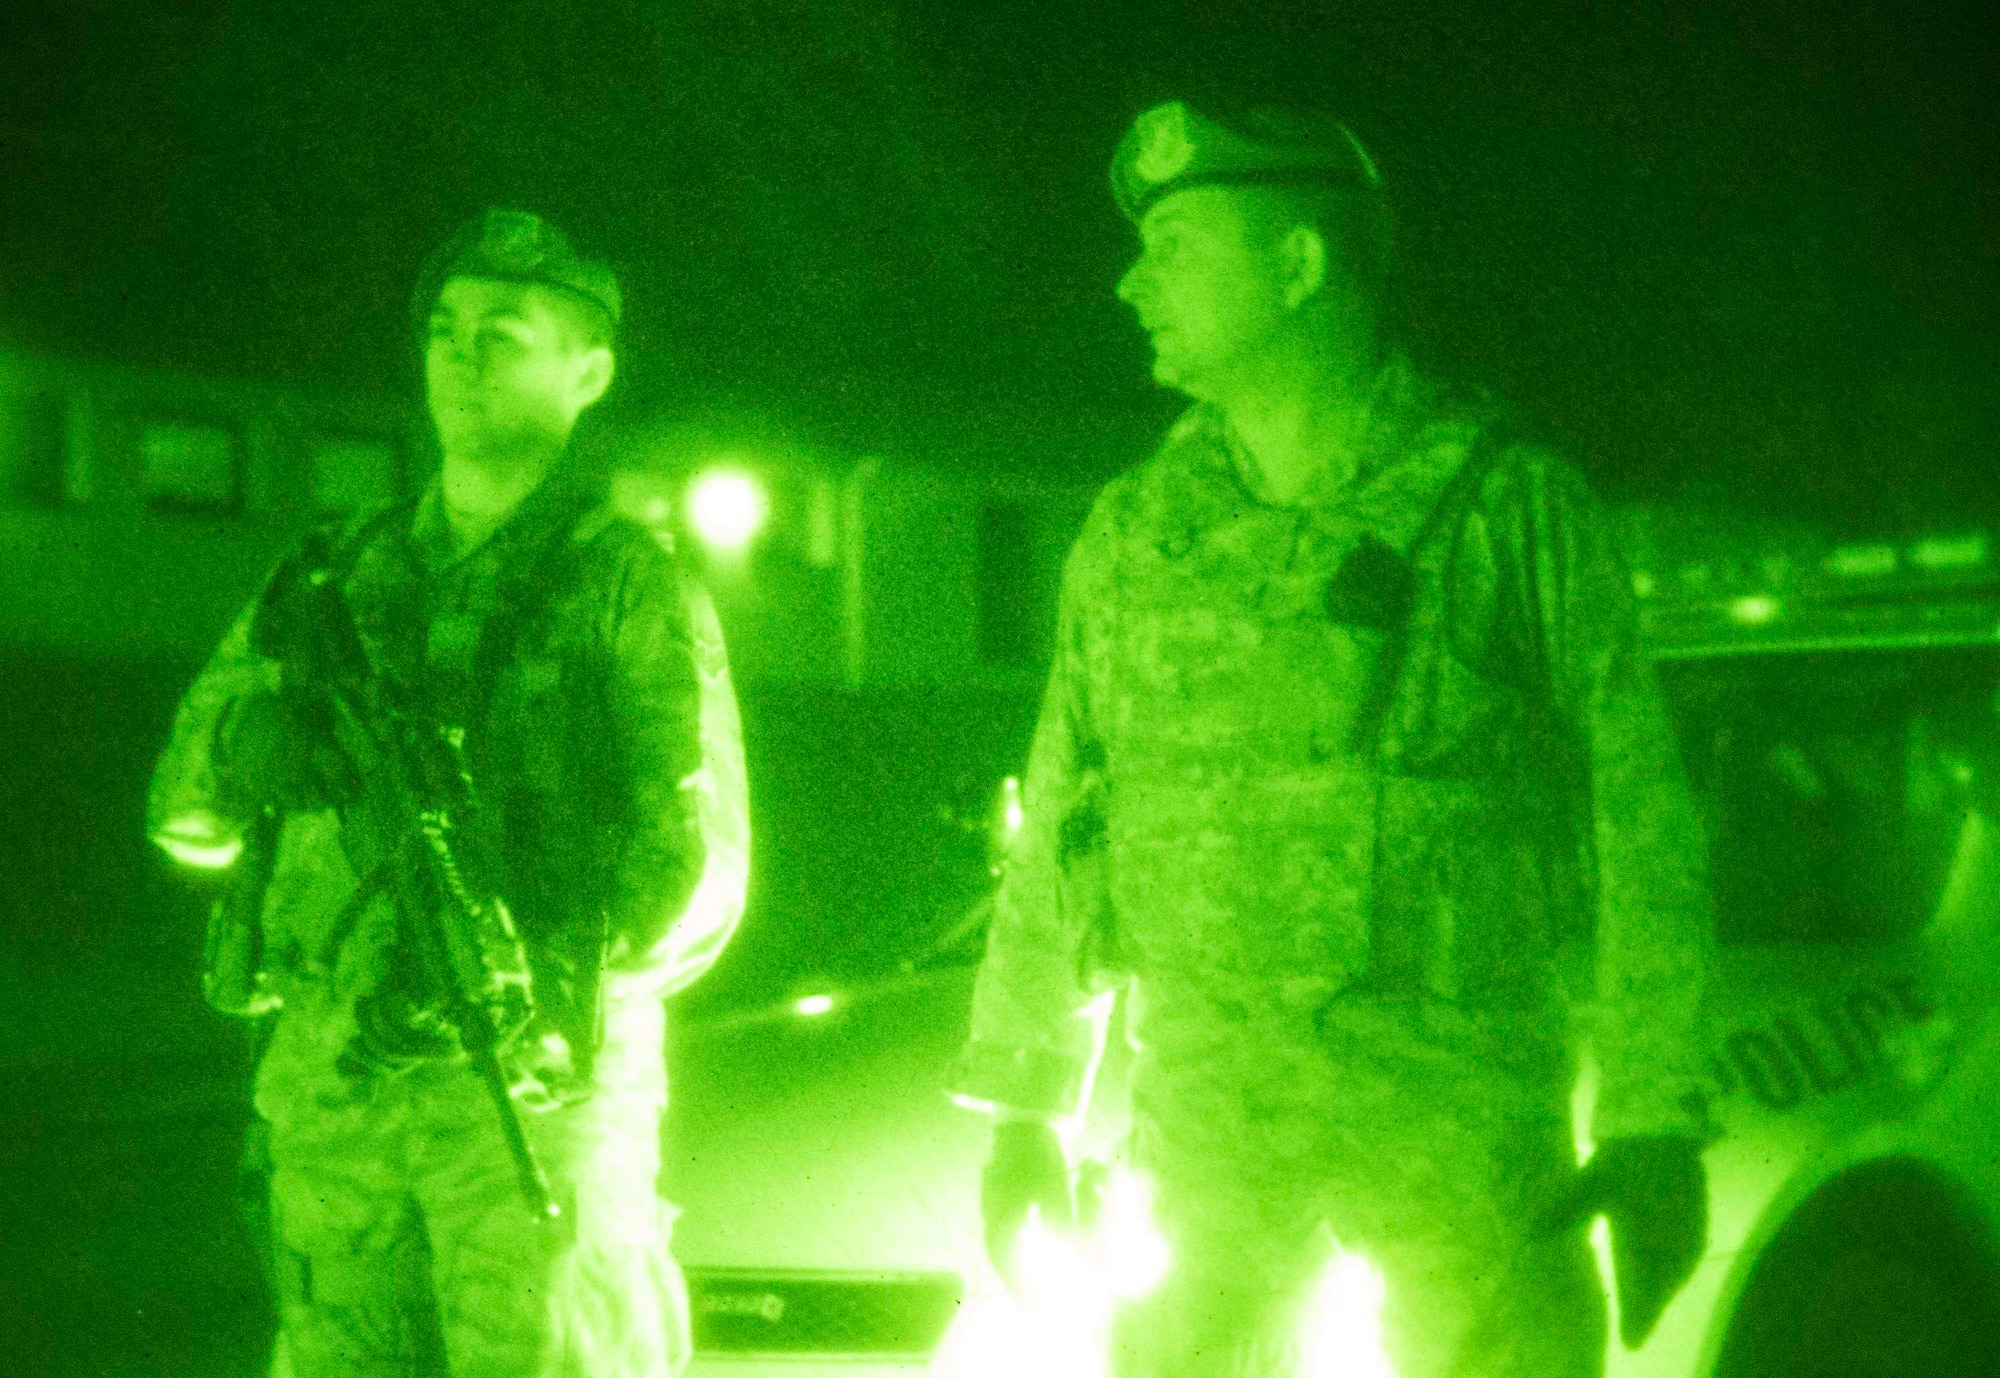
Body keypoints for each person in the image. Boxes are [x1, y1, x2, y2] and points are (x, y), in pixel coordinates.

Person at [952, 101, 1712, 1377]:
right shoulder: (1136, 534)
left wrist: (1650, 1121)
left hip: (1459, 1189)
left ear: (1298, 265)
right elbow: (1064, 822)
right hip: (1204, 1188)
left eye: (1176, 245)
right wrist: (1023, 1110)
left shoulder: (1499, 502)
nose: (1131, 281)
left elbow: (1637, 819)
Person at [149, 207, 750, 1378]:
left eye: (501, 335)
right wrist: (239, 752)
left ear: (587, 373)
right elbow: (184, 816)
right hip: (334, 1102)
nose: (460, 358)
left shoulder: (621, 580)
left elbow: (703, 874)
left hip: (527, 1112)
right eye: (444, 332)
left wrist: (529, 965)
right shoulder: (333, 571)